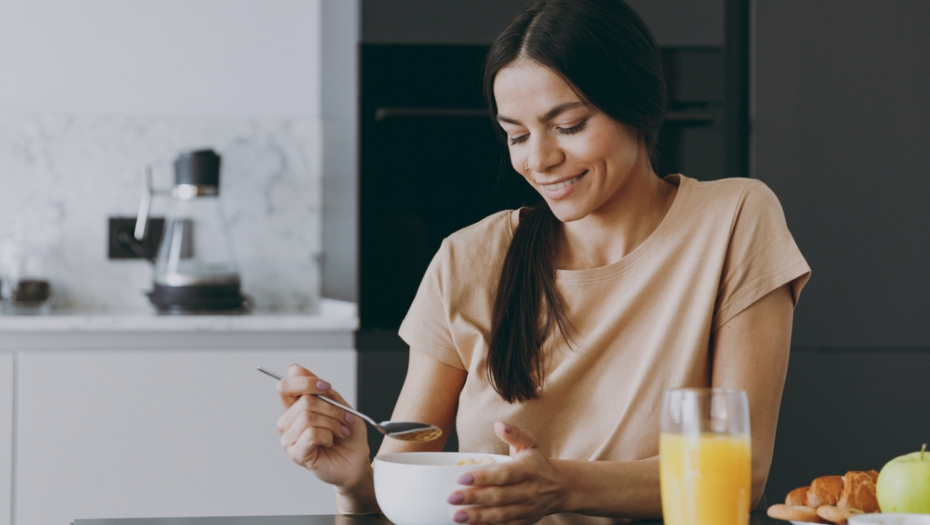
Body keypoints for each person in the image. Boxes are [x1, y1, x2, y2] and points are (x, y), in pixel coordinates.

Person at [274, 0, 810, 522]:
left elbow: (738, 474)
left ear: (638, 105)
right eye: (517, 135)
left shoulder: (735, 218)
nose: (539, 159)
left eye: (569, 125)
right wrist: (356, 483)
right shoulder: (467, 258)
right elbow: (410, 477)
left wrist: (560, 487)